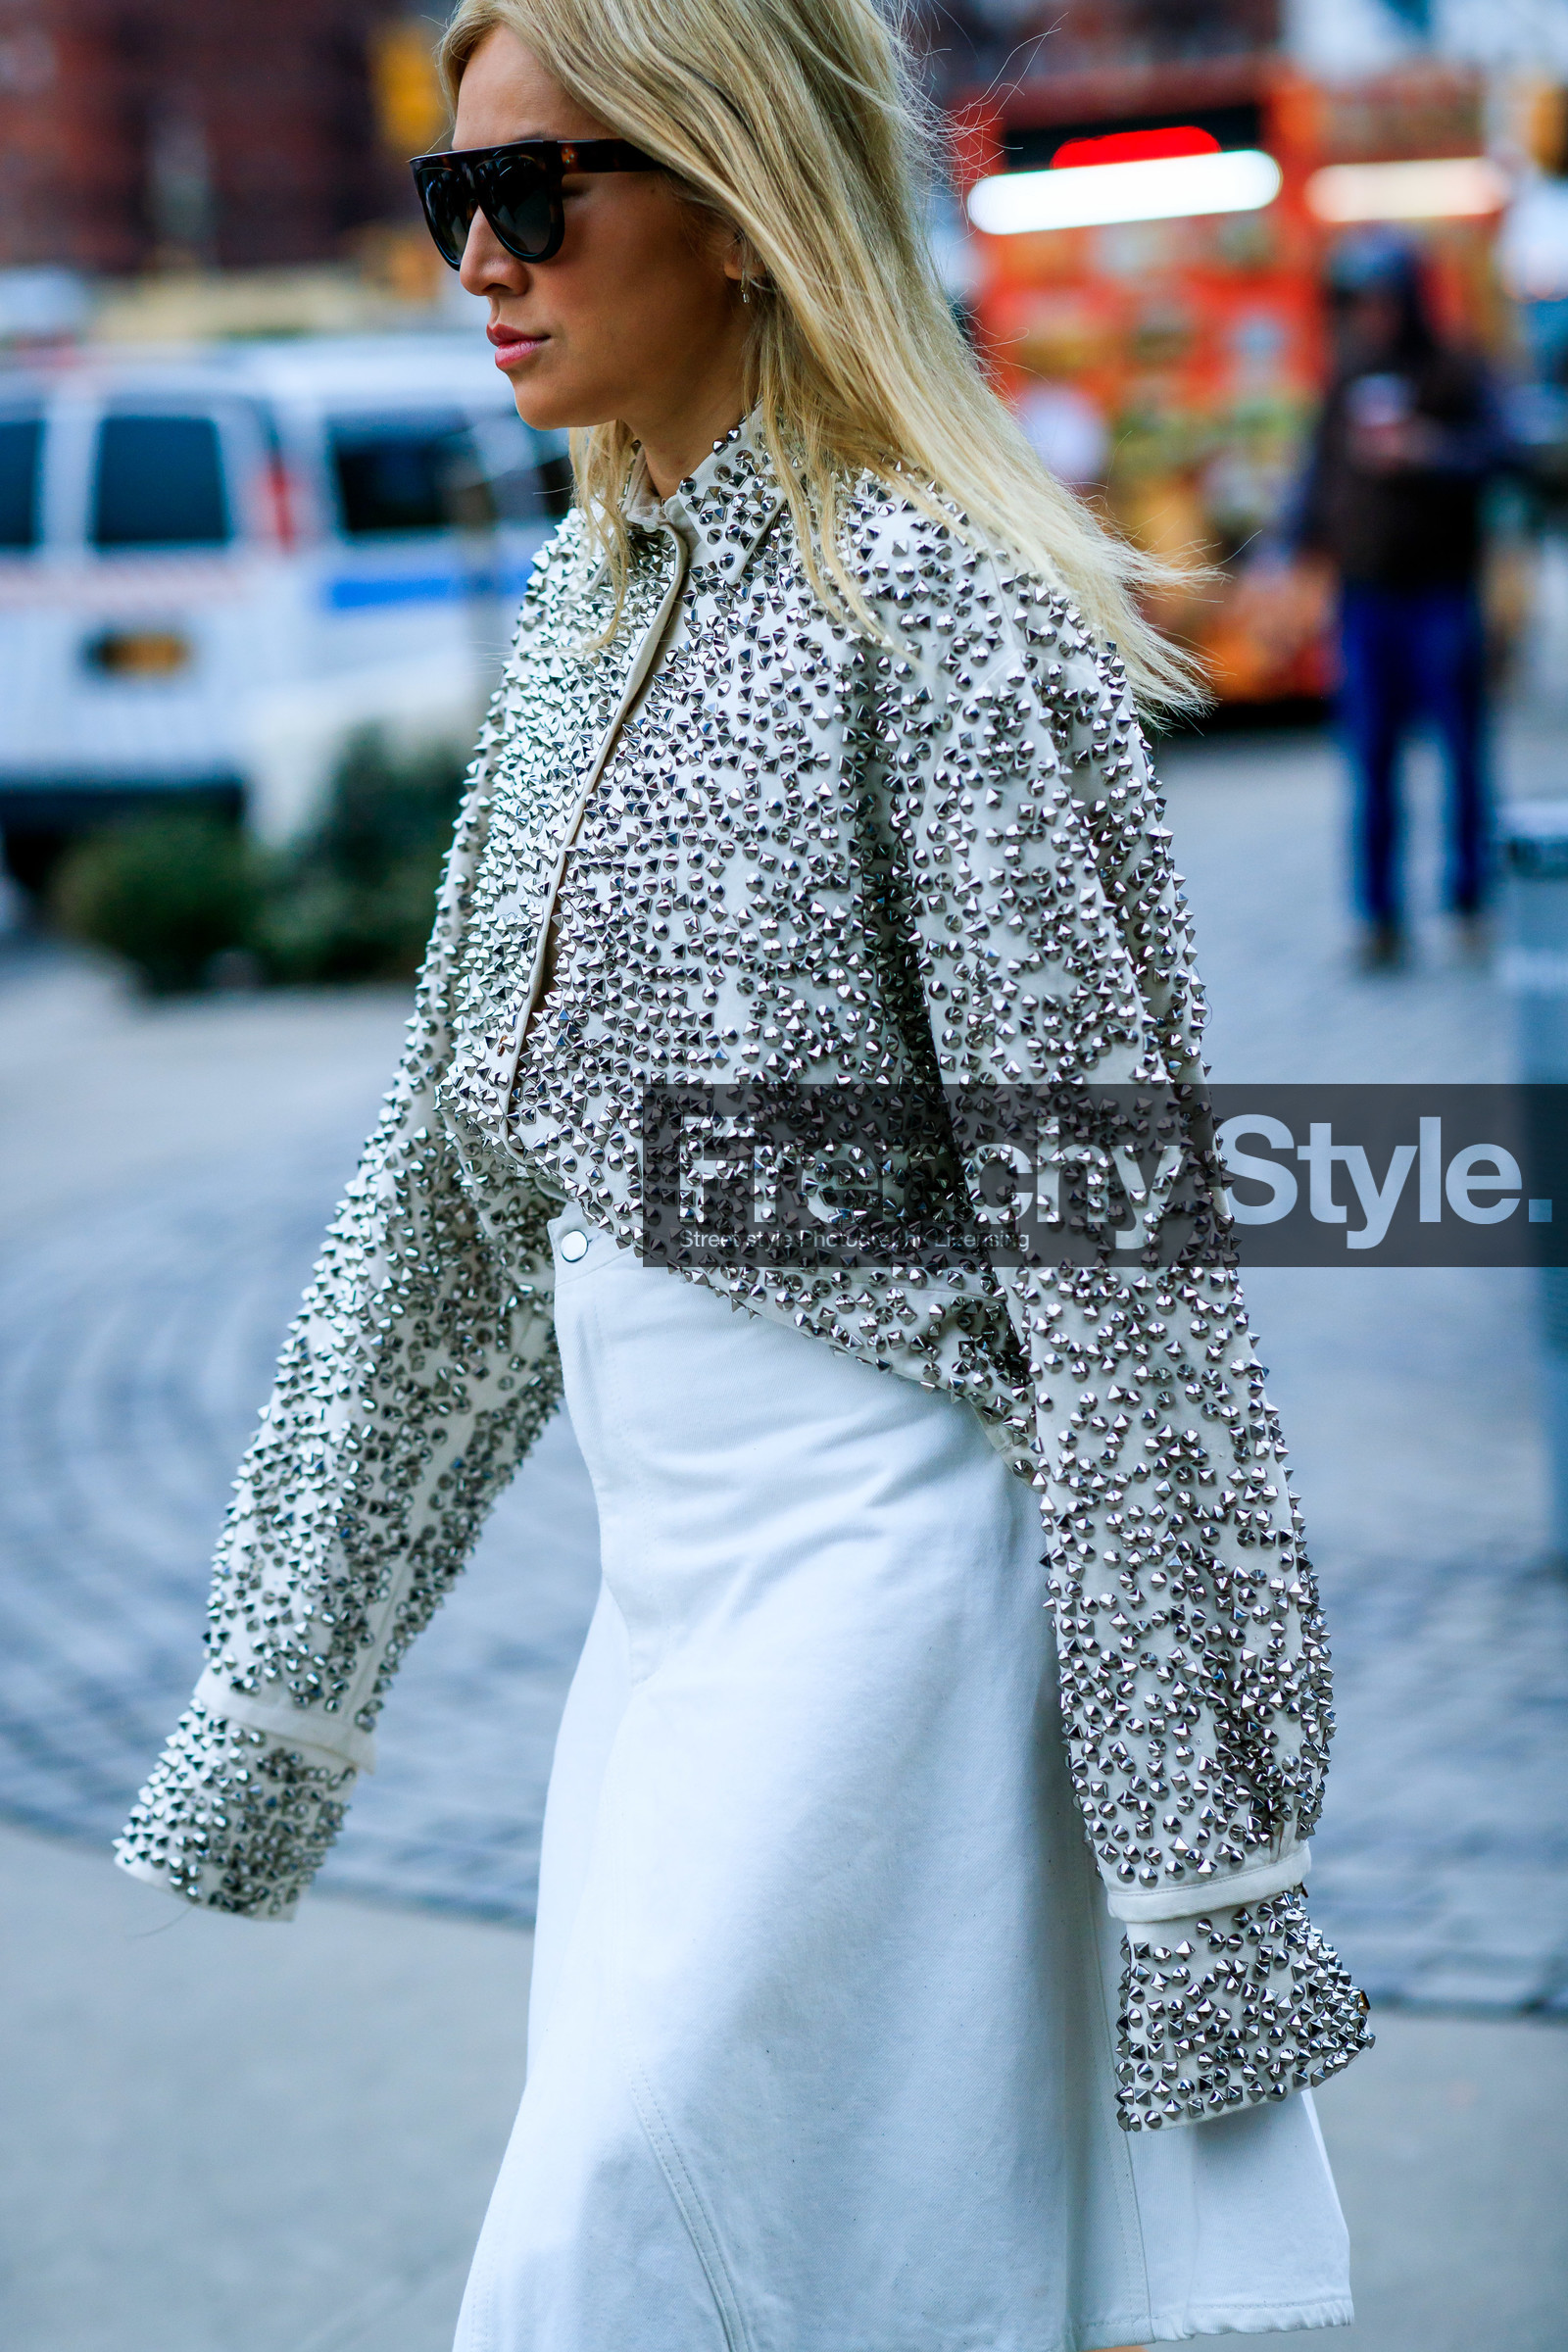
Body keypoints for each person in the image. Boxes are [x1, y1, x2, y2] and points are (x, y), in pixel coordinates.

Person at [117, 4, 1369, 2346]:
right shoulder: (582, 613)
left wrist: (1203, 1861)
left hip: (894, 1601)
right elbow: (445, 1201)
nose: (475, 262)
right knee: (780, 2272)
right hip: (670, 1624)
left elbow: (1125, 1269)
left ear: (728, 195)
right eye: (444, 202)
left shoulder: (951, 618)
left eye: (530, 196)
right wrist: (274, 1706)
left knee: (619, 2243)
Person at [1295, 231, 1511, 967]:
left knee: (1460, 751)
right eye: (1361, 301)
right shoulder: (1348, 372)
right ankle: (1378, 915)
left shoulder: (1456, 367)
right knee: (1371, 759)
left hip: (1441, 593)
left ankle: (1469, 896)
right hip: (1367, 600)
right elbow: (1318, 471)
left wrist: (1425, 450)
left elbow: (1503, 455)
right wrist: (1288, 547)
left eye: (1383, 299)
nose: (1372, 314)